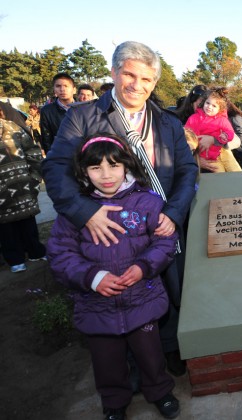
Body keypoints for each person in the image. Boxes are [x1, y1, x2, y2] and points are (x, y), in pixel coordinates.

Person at [41, 40, 198, 378]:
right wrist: (84, 212)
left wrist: (175, 213)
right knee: (122, 294)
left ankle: (169, 349)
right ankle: (130, 366)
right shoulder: (83, 116)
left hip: (160, 223)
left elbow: (187, 169)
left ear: (154, 83)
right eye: (129, 74)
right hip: (111, 228)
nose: (136, 85)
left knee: (169, 286)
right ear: (113, 73)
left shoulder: (167, 121)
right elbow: (55, 168)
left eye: (146, 79)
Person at [47, 134, 181, 420]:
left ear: (126, 166)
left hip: (142, 299)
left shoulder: (147, 202)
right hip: (96, 305)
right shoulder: (75, 210)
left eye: (114, 166)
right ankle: (114, 401)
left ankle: (160, 391)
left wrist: (144, 267)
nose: (106, 175)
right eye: (96, 168)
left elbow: (164, 243)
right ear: (84, 171)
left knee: (151, 355)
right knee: (106, 361)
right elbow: (60, 255)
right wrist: (93, 278)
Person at [0, 108, 47, 273]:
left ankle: (36, 251)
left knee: (28, 221)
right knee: (6, 227)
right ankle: (15, 259)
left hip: (22, 185)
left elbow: (32, 150)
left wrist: (34, 176)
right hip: (1, 192)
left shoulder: (12, 127)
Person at [184, 88, 241, 173]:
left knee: (235, 170)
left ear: (220, 109)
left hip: (219, 153)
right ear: (203, 102)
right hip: (202, 155)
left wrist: (223, 137)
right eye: (208, 103)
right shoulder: (194, 118)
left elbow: (230, 133)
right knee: (218, 175)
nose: (209, 107)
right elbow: (186, 135)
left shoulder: (222, 120)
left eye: (214, 106)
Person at [40, 72, 75, 153]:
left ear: (74, 89)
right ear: (54, 90)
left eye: (66, 86)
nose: (62, 89)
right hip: (60, 154)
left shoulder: (83, 108)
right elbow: (46, 139)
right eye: (58, 86)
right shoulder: (46, 111)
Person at [226, 97, 242, 171]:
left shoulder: (235, 117)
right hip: (238, 151)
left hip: (241, 152)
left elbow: (241, 136)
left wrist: (227, 146)